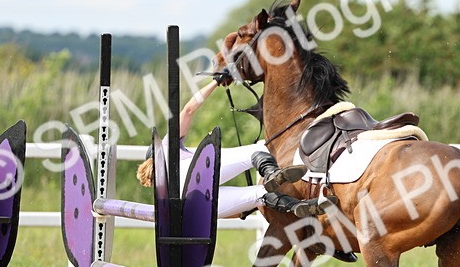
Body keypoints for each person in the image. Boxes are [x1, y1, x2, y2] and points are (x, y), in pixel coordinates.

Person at [137, 78, 326, 219]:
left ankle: (300, 206)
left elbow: (210, 218)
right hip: (194, 175)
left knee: (260, 195)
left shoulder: (164, 194)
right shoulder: (167, 146)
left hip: (193, 207)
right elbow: (188, 110)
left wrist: (241, 212)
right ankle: (272, 174)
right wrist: (214, 82)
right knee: (257, 150)